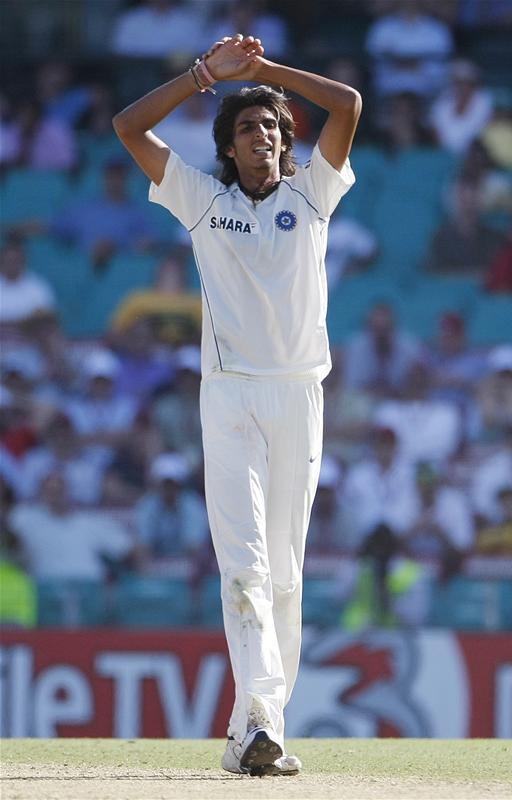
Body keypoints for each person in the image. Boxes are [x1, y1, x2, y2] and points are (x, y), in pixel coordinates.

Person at [113, 33, 361, 776]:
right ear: (228, 146)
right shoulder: (201, 200)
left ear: (290, 146)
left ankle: (254, 728)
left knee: (285, 574)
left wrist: (262, 74)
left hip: (298, 396)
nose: (264, 135)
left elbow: (346, 104)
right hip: (229, 400)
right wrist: (202, 77)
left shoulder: (313, 192)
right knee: (244, 565)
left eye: (275, 128)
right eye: (249, 126)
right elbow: (129, 127)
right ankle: (259, 724)